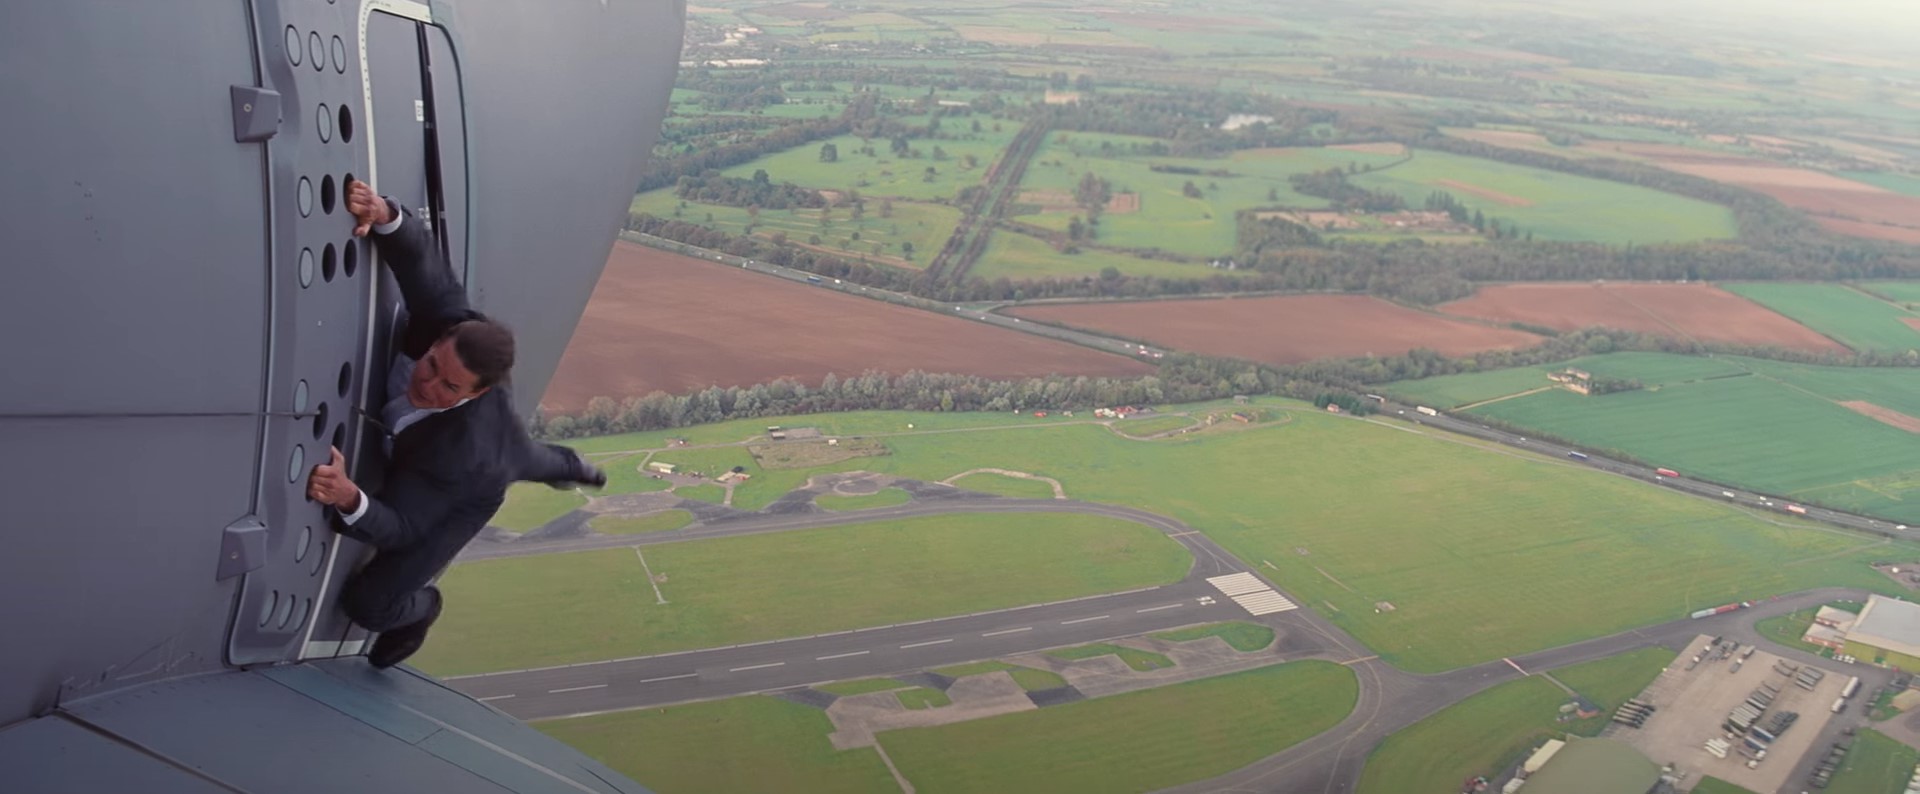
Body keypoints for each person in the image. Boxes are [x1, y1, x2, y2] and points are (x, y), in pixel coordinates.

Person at [306, 179, 605, 668]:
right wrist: (383, 214)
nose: (427, 385)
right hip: (477, 447)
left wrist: (348, 497)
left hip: (468, 488)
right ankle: (571, 467)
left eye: (449, 387)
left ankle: (424, 610)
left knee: (369, 604)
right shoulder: (449, 325)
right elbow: (428, 269)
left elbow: (402, 527)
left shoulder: (465, 460)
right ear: (440, 339)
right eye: (430, 365)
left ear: (477, 393)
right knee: (528, 455)